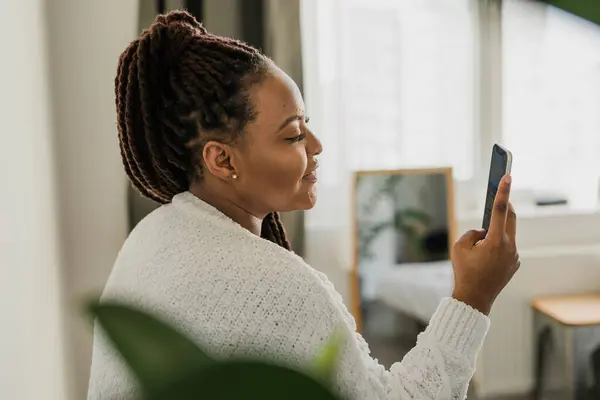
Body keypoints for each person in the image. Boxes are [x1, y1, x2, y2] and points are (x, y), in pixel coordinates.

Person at [87, 10, 520, 400]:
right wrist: (473, 296)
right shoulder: (273, 288)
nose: (316, 145)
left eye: (306, 125)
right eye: (293, 135)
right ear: (222, 159)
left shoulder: (151, 236)